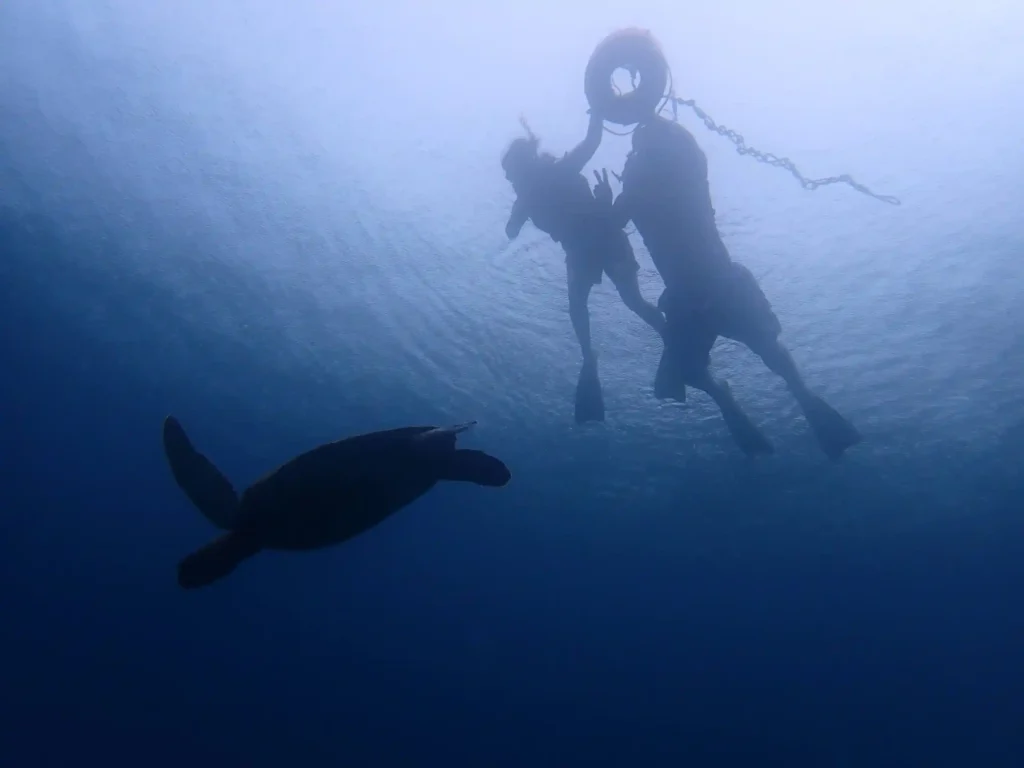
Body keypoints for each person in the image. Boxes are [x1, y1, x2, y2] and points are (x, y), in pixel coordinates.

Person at [593, 114, 861, 458]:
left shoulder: (682, 170)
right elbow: (613, 223)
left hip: (719, 283)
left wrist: (608, 200)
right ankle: (726, 397)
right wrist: (606, 203)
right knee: (696, 369)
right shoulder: (638, 189)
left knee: (766, 347)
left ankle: (803, 398)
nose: (646, 152)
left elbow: (685, 160)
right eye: (642, 148)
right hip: (689, 295)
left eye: (651, 145)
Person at [502, 113, 665, 422]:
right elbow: (592, 141)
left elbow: (591, 142)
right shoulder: (542, 185)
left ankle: (593, 354)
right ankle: (595, 354)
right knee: (590, 304)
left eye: (509, 172)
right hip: (585, 246)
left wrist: (598, 109)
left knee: (601, 303)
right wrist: (598, 111)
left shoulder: (551, 177)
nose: (508, 179)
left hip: (603, 237)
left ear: (521, 166)